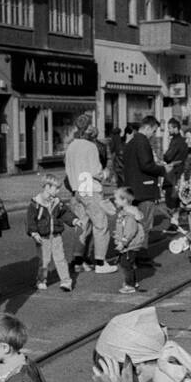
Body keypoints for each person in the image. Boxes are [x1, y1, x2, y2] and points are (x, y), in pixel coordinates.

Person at [66, 113, 118, 275]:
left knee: (83, 225)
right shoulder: (90, 147)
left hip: (77, 190)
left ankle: (77, 261)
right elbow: (96, 171)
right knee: (101, 225)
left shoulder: (71, 146)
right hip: (91, 189)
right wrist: (106, 173)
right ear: (88, 128)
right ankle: (101, 262)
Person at [123, 116, 167, 255]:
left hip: (133, 188)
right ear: (147, 128)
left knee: (133, 223)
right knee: (145, 224)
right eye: (153, 131)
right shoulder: (143, 142)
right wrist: (162, 169)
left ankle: (130, 252)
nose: (154, 135)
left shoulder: (131, 142)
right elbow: (146, 165)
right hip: (145, 189)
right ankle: (141, 255)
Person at [27, 174, 77, 292]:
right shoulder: (35, 203)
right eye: (56, 188)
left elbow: (65, 213)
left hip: (56, 235)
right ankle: (41, 280)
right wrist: (34, 233)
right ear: (47, 187)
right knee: (44, 260)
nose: (58, 191)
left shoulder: (57, 202)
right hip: (42, 237)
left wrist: (74, 220)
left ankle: (66, 281)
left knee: (60, 258)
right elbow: (30, 220)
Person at [111, 188, 148, 295]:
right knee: (128, 264)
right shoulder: (125, 212)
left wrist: (123, 243)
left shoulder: (129, 215)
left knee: (126, 264)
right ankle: (133, 282)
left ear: (125, 201)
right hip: (129, 244)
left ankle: (130, 285)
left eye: (116, 199)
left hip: (130, 244)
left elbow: (130, 231)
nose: (115, 201)